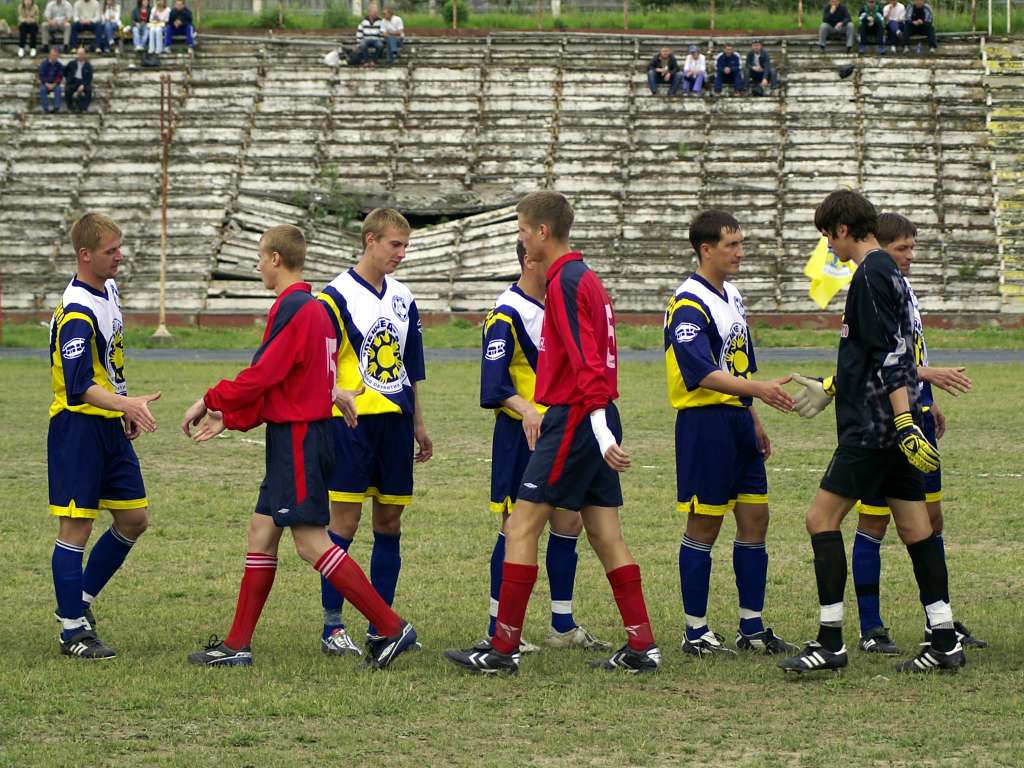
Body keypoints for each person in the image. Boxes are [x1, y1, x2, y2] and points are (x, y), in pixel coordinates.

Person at [445, 191, 662, 675]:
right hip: (596, 412)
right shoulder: (588, 279)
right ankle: (641, 645)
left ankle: (502, 650)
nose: (520, 239)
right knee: (606, 533)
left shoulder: (564, 282)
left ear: (542, 232)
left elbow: (587, 363)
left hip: (576, 417)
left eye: (523, 229)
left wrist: (599, 429)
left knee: (521, 527)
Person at [183, 225, 419, 669]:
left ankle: (390, 626)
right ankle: (237, 645)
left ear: (275, 259)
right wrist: (232, 417)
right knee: (260, 532)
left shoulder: (294, 308)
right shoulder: (313, 309)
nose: (257, 267)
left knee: (311, 544)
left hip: (299, 440)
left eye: (259, 258)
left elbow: (265, 375)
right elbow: (296, 384)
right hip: (301, 435)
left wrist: (211, 399)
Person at [778, 190, 965, 675]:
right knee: (915, 527)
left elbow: (892, 355)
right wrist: (832, 386)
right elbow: (880, 351)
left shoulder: (871, 273)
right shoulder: (886, 273)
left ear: (842, 229)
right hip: (886, 426)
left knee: (820, 519)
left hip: (874, 428)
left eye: (827, 236)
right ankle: (944, 639)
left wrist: (902, 421)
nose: (828, 247)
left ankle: (830, 641)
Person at [664, 211, 797, 658]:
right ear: (706, 250)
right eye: (731, 245)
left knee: (756, 519)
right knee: (705, 523)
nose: (740, 252)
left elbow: (739, 362)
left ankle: (752, 626)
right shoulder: (687, 303)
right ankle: (695, 631)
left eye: (741, 243)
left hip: (738, 422)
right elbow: (701, 372)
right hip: (705, 425)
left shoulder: (733, 296)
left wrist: (753, 414)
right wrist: (757, 390)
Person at [477, 240, 611, 653]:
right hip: (522, 435)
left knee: (568, 521)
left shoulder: (560, 303)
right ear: (528, 259)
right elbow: (494, 384)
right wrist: (527, 409)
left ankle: (563, 624)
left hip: (563, 432)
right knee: (515, 528)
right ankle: (498, 626)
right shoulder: (506, 312)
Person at [315, 208, 431, 657]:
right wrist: (335, 393)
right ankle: (332, 626)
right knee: (343, 522)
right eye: (393, 245)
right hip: (351, 424)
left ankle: (383, 623)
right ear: (369, 240)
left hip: (396, 426)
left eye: (405, 246)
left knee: (390, 522)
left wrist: (420, 424)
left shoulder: (404, 298)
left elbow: (412, 368)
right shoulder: (335, 297)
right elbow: (317, 365)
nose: (400, 254)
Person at [48, 213, 160, 659]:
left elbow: (108, 365)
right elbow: (78, 387)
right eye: (111, 250)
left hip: (110, 424)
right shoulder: (77, 311)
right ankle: (71, 630)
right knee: (76, 527)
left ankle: (81, 604)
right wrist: (125, 404)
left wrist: (126, 404)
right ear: (85, 254)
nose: (120, 256)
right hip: (78, 430)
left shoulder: (109, 290)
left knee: (134, 520)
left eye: (120, 247)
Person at [64, 46, 93, 112]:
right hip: (73, 81)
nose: (80, 56)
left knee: (89, 90)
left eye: (82, 54)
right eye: (79, 54)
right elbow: (65, 71)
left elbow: (89, 77)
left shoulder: (88, 65)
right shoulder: (71, 63)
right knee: (67, 89)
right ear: (77, 54)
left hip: (83, 81)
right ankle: (70, 107)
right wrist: (68, 79)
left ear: (84, 55)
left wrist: (83, 85)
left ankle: (84, 108)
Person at [39, 47, 64, 113]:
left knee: (58, 90)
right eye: (53, 55)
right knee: (42, 89)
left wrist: (54, 84)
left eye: (56, 56)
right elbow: (41, 75)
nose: (54, 57)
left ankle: (56, 108)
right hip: (45, 83)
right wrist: (46, 84)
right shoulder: (44, 64)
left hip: (55, 84)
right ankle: (46, 108)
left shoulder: (59, 65)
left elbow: (60, 76)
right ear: (50, 55)